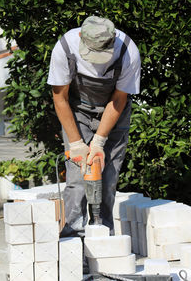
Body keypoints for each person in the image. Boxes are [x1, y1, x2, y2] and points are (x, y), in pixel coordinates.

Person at [47, 15, 141, 237]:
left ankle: (103, 235)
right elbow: (60, 98)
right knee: (77, 178)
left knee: (107, 177)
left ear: (112, 41)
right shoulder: (65, 48)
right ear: (80, 36)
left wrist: (99, 141)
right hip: (77, 112)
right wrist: (78, 144)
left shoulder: (128, 51)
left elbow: (119, 100)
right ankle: (74, 235)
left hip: (113, 113)